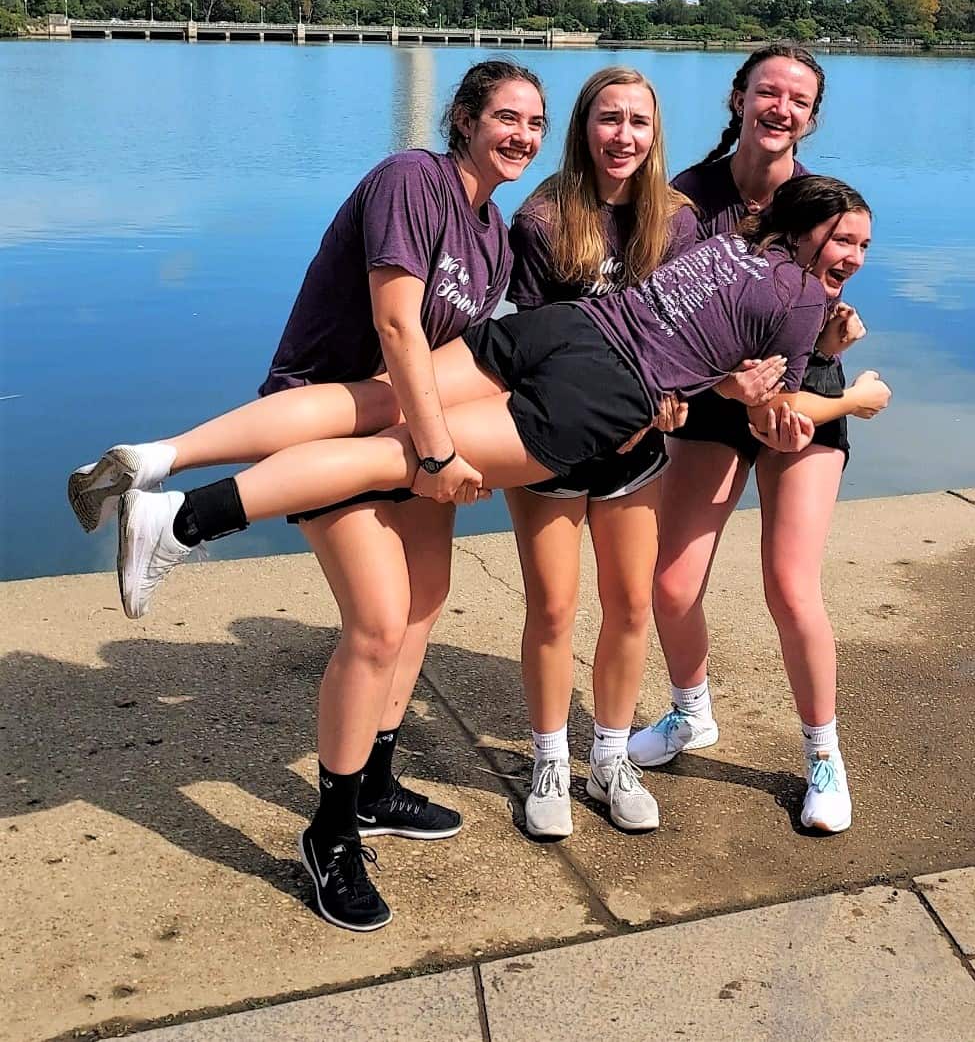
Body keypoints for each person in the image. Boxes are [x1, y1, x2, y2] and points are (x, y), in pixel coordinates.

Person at [71, 174, 888, 916]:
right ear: (806, 229)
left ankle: (159, 455)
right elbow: (776, 417)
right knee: (396, 454)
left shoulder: (725, 248)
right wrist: (852, 392)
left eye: (861, 245)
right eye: (843, 238)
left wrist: (737, 375)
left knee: (380, 400)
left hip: (558, 329)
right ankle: (184, 519)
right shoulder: (799, 296)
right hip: (604, 393)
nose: (851, 257)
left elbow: (705, 350)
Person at [69, 58, 548, 932]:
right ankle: (329, 834)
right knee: (377, 620)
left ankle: (373, 782)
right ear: (463, 118)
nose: (521, 135)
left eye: (534, 123)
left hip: (398, 433)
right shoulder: (412, 180)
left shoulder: (496, 235)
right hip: (325, 423)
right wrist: (439, 450)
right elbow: (396, 323)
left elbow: (468, 352)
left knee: (424, 601)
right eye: (505, 117)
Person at [628, 43, 880, 835]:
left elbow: (820, 298)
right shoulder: (684, 196)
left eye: (797, 99)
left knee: (790, 585)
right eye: (768, 91)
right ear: (737, 97)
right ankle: (689, 710)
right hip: (713, 396)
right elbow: (662, 309)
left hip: (802, 391)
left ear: (811, 117)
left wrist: (833, 342)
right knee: (671, 584)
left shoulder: (820, 198)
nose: (780, 108)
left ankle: (822, 755)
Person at [505, 68, 699, 838]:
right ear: (583, 127)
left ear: (654, 134)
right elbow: (523, 344)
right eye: (608, 118)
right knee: (553, 607)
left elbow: (687, 335)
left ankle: (610, 758)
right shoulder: (541, 218)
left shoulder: (676, 223)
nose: (623, 135)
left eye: (637, 122)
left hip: (635, 445)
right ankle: (549, 759)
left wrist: (673, 395)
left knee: (629, 603)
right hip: (552, 440)